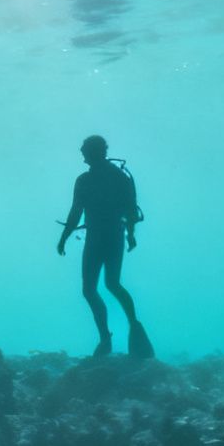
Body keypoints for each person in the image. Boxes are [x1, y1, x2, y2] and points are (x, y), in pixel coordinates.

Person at [57, 134, 153, 358]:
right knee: (111, 284)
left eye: (84, 151)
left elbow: (75, 213)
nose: (82, 154)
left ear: (92, 152)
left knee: (92, 289)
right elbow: (130, 210)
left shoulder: (86, 181)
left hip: (100, 238)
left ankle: (108, 337)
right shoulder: (118, 177)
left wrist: (64, 238)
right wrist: (130, 235)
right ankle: (128, 327)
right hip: (113, 237)